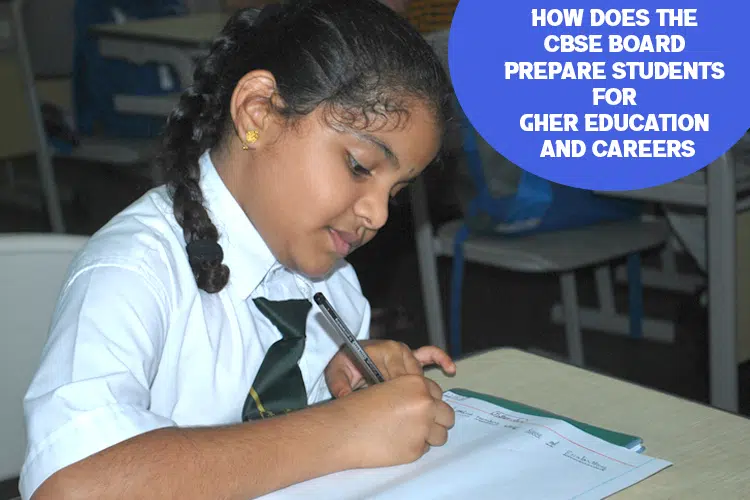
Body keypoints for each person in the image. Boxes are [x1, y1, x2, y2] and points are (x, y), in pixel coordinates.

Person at [20, 1, 457, 499]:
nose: (378, 214)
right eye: (360, 166)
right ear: (258, 114)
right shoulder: (134, 271)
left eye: (396, 192)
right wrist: (342, 428)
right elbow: (70, 487)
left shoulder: (335, 285)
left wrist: (337, 390)